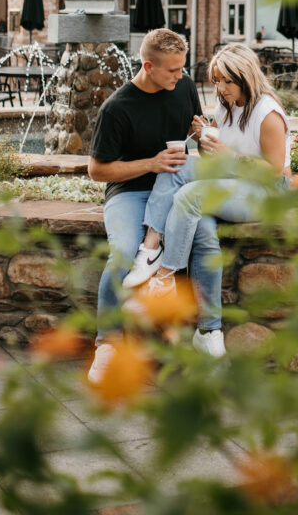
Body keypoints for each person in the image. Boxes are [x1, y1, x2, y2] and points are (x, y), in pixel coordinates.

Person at [130, 43, 291, 354]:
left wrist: (229, 156)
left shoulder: (267, 113)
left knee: (192, 196)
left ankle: (164, 279)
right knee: (180, 170)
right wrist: (204, 134)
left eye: (227, 81)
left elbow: (273, 172)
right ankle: (206, 329)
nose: (220, 88)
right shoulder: (227, 105)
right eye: (217, 80)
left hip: (267, 190)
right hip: (233, 180)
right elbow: (217, 157)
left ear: (245, 78)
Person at [87, 28, 220, 381]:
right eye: (173, 71)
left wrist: (204, 136)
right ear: (148, 65)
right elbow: (97, 170)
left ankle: (209, 334)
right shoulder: (117, 108)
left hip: (177, 190)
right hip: (129, 192)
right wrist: (151, 163)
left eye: (182, 69)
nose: (181, 77)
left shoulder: (185, 86)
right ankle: (107, 345)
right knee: (125, 251)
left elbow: (195, 134)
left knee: (205, 236)